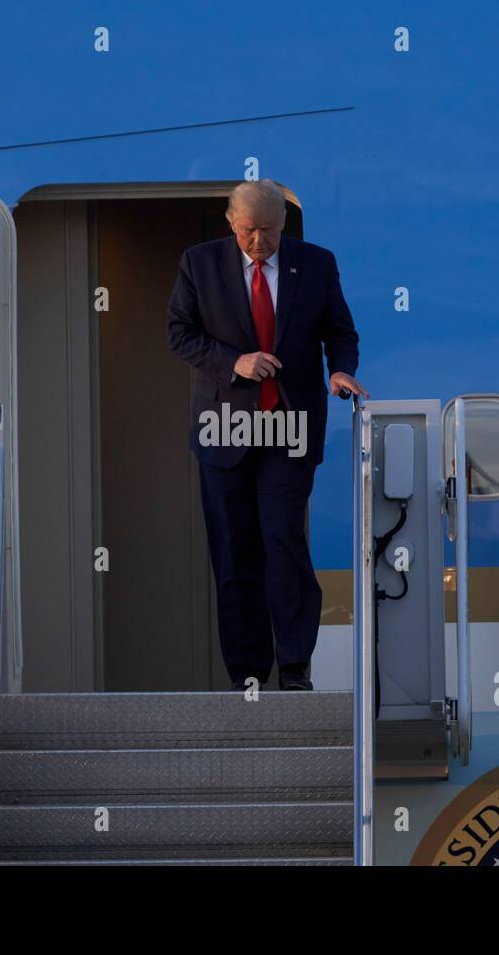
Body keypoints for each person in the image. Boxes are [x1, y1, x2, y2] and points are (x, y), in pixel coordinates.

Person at [166, 179, 368, 691]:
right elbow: (180, 334)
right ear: (230, 222)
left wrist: (340, 371)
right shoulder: (200, 263)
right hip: (224, 429)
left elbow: (340, 332)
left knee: (284, 543)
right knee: (235, 555)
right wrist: (234, 361)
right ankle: (249, 676)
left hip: (289, 428)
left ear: (284, 224)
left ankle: (295, 669)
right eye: (249, 230)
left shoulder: (316, 263)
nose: (259, 242)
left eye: (270, 231)